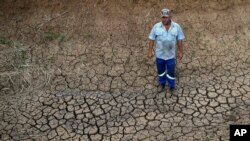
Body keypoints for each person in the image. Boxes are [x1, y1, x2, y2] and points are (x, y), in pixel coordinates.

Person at [148, 8, 185, 95]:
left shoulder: (176, 27)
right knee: (161, 71)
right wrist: (149, 51)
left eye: (166, 17)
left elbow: (179, 40)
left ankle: (171, 86)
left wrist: (181, 52)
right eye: (163, 17)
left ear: (170, 17)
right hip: (160, 55)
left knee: (171, 72)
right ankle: (162, 84)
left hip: (170, 55)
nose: (164, 19)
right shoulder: (156, 27)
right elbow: (151, 39)